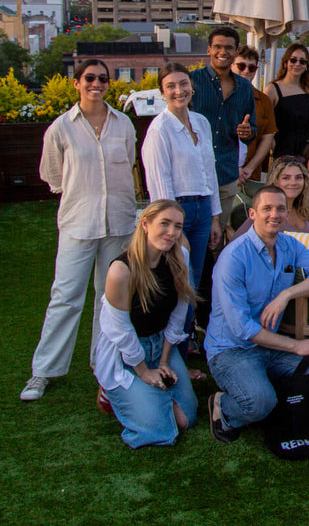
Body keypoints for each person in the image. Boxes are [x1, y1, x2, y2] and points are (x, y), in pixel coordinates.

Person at [22, 59, 137, 402]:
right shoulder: (61, 128)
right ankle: (43, 371)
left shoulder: (124, 124)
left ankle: (101, 364)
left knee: (110, 299)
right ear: (76, 83)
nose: (97, 84)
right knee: (65, 298)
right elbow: (53, 176)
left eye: (103, 78)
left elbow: (130, 164)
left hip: (118, 223)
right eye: (90, 78)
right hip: (77, 223)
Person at [204, 185, 309, 442]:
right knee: (259, 404)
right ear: (252, 214)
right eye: (266, 208)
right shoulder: (233, 257)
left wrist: (285, 295)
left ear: (287, 214)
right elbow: (242, 328)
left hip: (269, 347)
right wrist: (296, 346)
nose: (274, 215)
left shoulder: (288, 244)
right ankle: (223, 407)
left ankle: (268, 391)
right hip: (232, 350)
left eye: (279, 209)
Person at [94, 200, 198, 448]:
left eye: (178, 226)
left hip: (160, 344)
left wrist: (163, 360)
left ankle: (151, 395)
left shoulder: (179, 257)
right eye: (164, 223)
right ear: (145, 224)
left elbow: (178, 313)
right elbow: (119, 330)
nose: (172, 233)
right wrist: (143, 371)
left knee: (188, 418)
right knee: (161, 430)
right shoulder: (121, 270)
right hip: (127, 353)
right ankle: (110, 390)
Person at [142, 62, 222, 349]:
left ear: (192, 86)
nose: (179, 91)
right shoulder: (159, 129)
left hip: (202, 208)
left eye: (183, 84)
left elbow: (208, 171)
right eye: (171, 86)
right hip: (177, 211)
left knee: (195, 279)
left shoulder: (200, 121)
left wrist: (214, 216)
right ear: (162, 92)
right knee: (178, 279)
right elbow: (160, 185)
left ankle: (185, 338)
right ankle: (170, 344)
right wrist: (173, 228)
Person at [189, 26, 268, 220]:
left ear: (235, 51)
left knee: (219, 234)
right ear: (209, 50)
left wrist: (247, 132)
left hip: (226, 173)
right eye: (218, 46)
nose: (223, 52)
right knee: (194, 234)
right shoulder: (192, 81)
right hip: (195, 174)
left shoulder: (244, 89)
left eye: (229, 48)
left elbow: (253, 132)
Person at [265, 43, 309, 160]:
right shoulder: (272, 89)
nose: (297, 64)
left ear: (306, 66)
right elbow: (265, 122)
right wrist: (271, 145)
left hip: (308, 149)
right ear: (285, 63)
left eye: (302, 61)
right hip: (284, 149)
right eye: (293, 60)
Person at [230, 44, 277, 188]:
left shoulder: (263, 100)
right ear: (231, 66)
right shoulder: (217, 97)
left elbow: (267, 138)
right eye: (241, 66)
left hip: (250, 176)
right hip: (221, 174)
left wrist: (248, 169)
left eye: (252, 68)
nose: (246, 71)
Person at [265, 156, 309, 233]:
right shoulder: (265, 210)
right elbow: (246, 239)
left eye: (298, 178)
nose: (293, 183)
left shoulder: (304, 210)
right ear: (275, 182)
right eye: (286, 178)